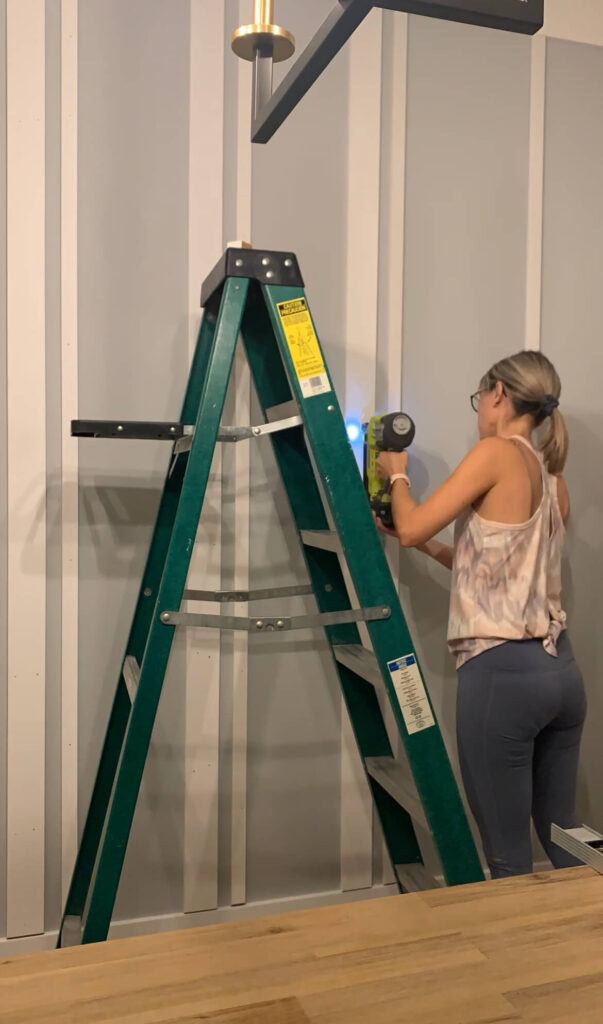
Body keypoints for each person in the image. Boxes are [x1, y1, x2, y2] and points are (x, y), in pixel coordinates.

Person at [375, 350, 587, 879]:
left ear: (498, 395)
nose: (478, 411)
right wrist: (429, 553)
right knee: (567, 832)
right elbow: (494, 573)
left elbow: (412, 526)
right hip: (561, 673)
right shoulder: (552, 478)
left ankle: (518, 961)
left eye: (479, 398)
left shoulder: (495, 453)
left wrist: (397, 476)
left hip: (503, 677)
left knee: (506, 852)